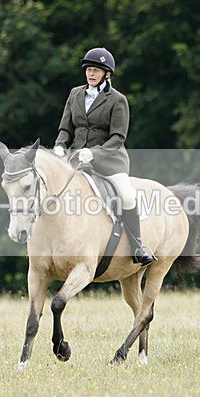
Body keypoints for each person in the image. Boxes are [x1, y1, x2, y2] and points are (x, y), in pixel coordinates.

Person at [53, 47, 156, 266]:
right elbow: (65, 128)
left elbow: (118, 137)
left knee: (127, 195)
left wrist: (94, 152)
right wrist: (60, 146)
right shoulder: (75, 94)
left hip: (109, 160)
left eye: (96, 71)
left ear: (106, 74)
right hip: (77, 158)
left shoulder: (117, 100)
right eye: (88, 69)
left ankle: (138, 246)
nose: (90, 74)